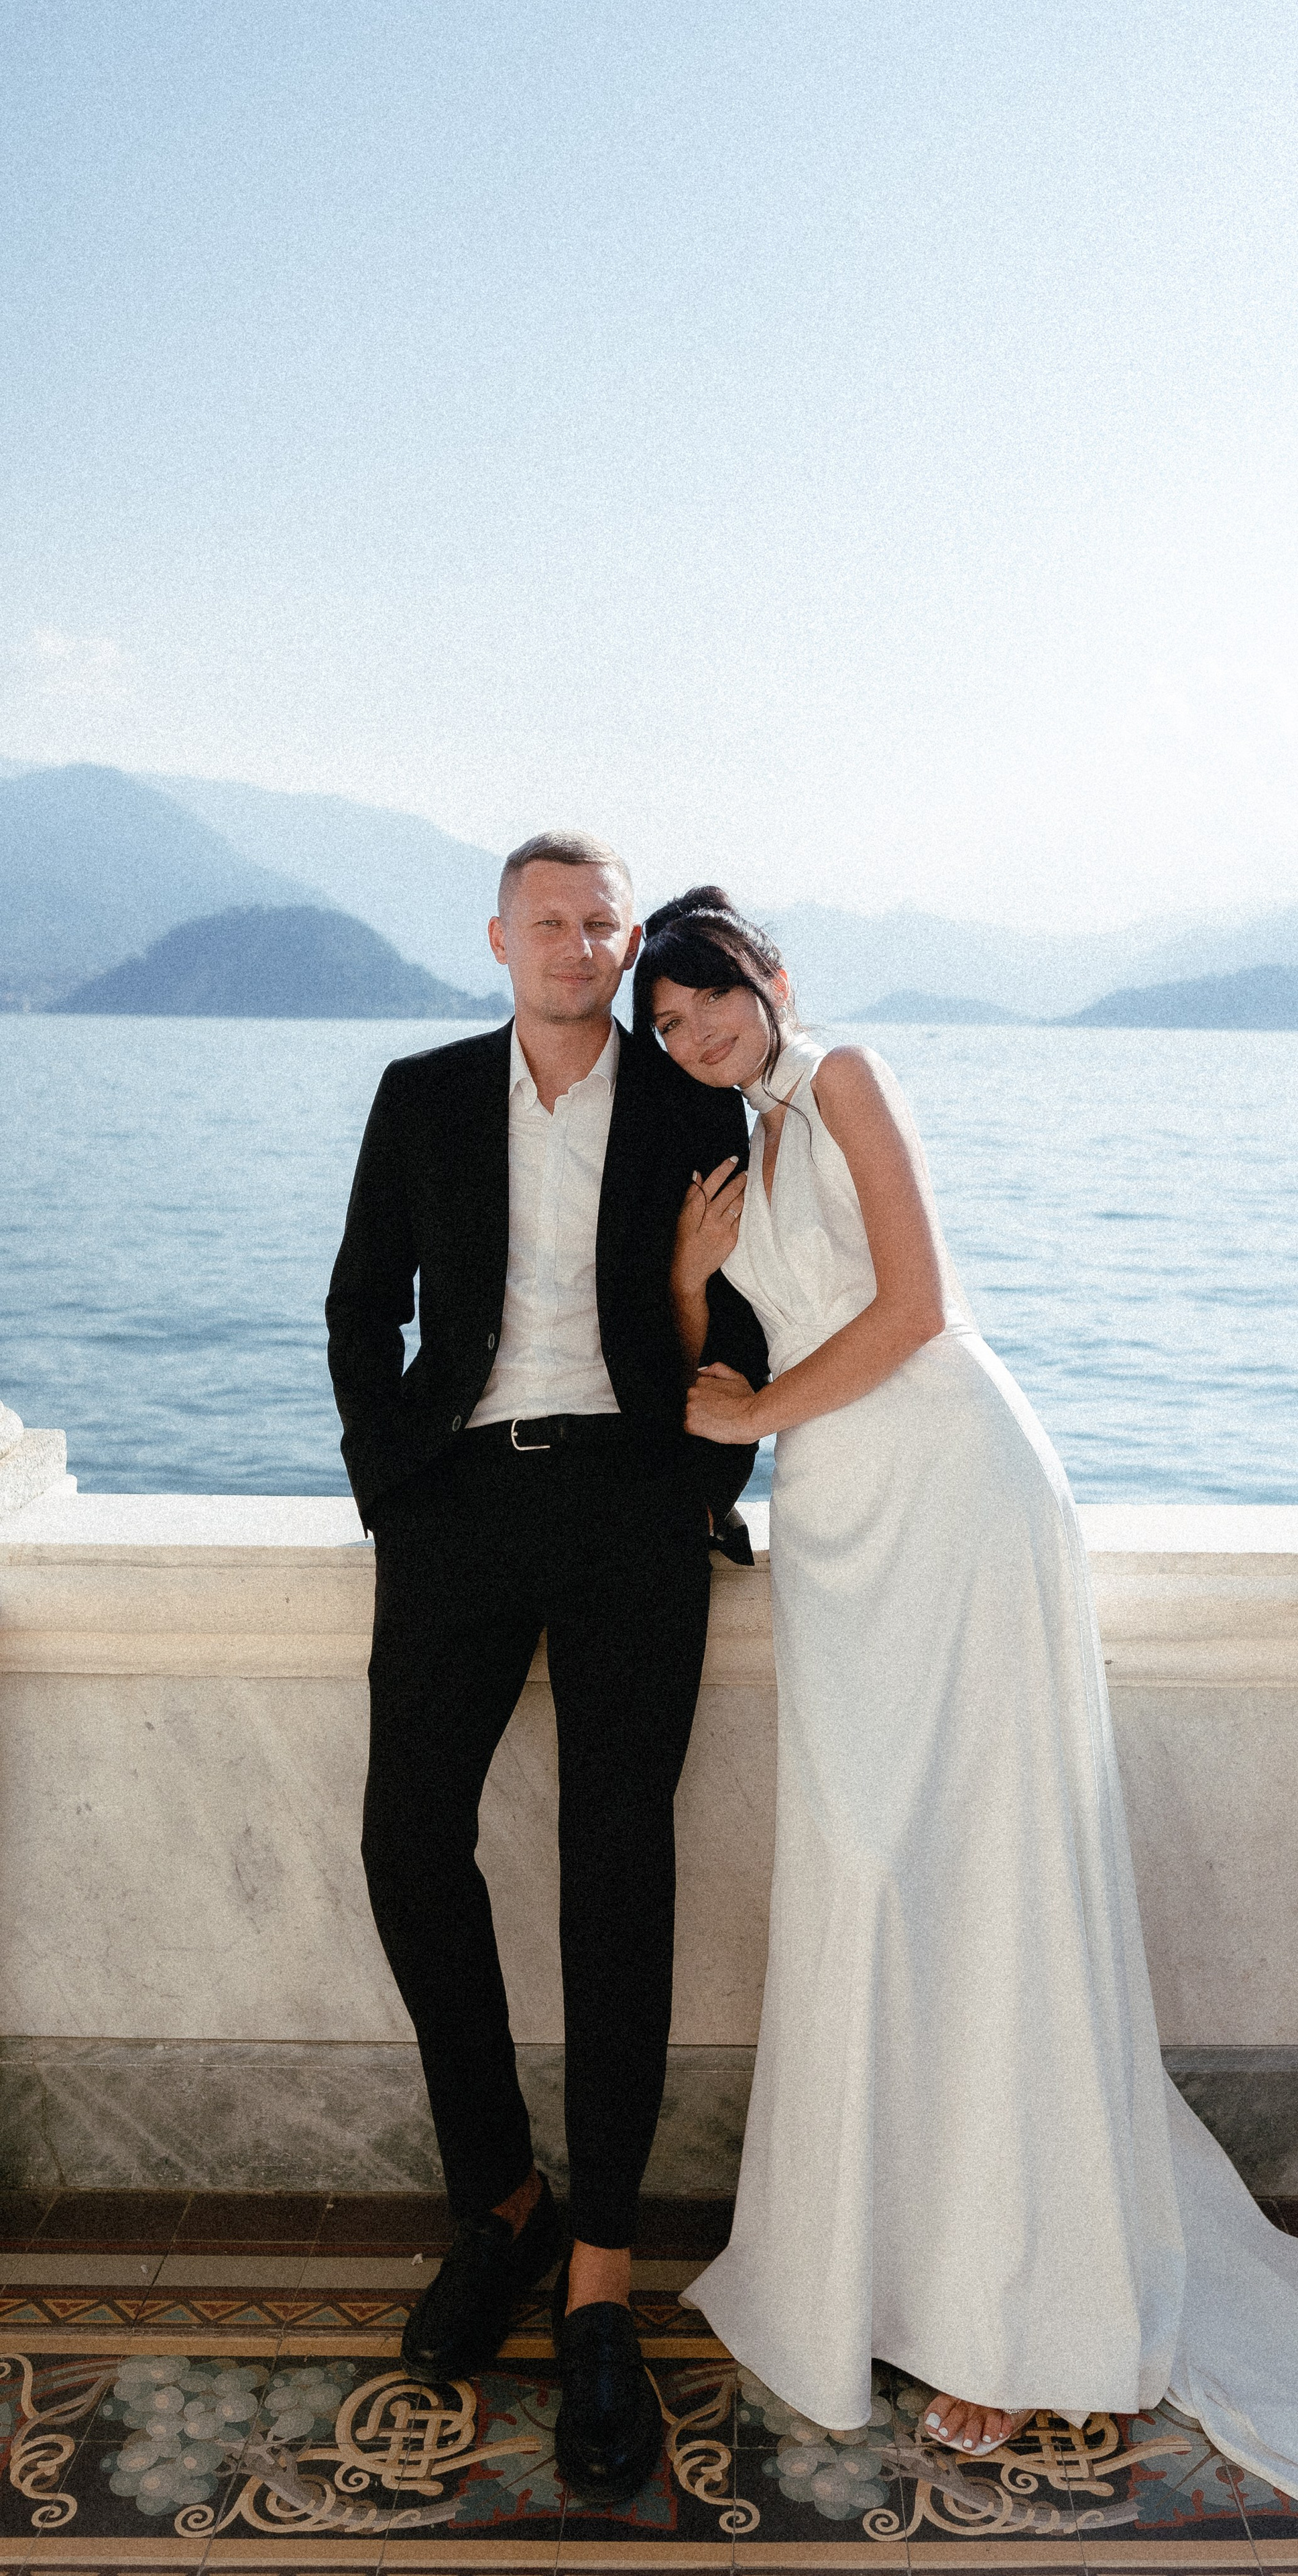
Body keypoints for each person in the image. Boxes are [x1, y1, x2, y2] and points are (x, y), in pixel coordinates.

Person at [632, 886, 1298, 2536]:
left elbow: (915, 1310)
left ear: (771, 978)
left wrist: (756, 1409)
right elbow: (714, 1366)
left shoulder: (842, 1077)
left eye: (712, 996)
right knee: (866, 1872)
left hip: (952, 1492)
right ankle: (871, 2269)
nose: (696, 1031)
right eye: (668, 1021)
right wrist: (694, 1284)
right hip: (842, 1529)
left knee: (983, 1880)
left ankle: (1023, 2309)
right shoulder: (747, 1142)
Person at [326, 835, 767, 2504]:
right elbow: (360, 1306)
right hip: (457, 1502)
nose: (577, 945)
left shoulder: (693, 1107)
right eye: (550, 922)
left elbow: (749, 1332)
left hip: (631, 1507)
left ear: (629, 942)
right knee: (405, 1838)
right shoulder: (422, 1094)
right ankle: (498, 2196)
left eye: (602, 923)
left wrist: (698, 1481)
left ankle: (596, 2270)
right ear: (498, 939)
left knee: (614, 1867)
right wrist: (392, 1483)